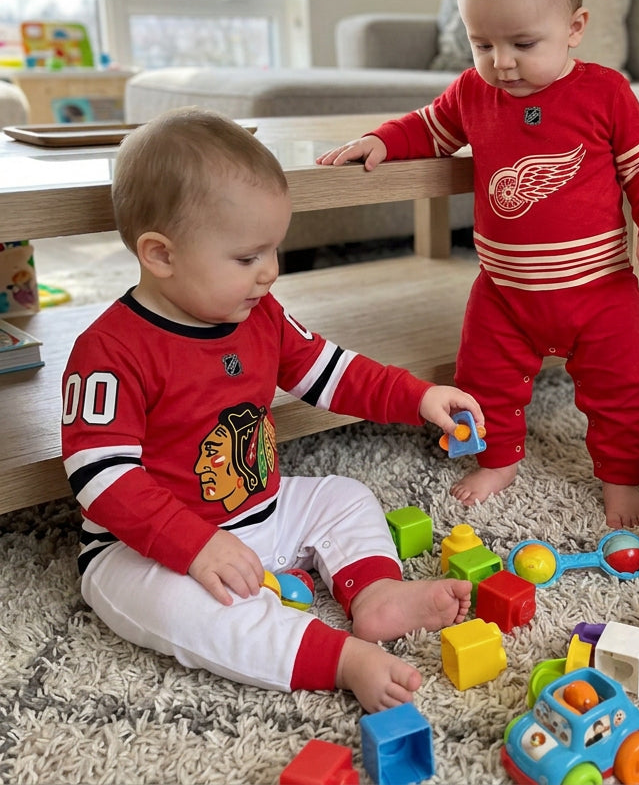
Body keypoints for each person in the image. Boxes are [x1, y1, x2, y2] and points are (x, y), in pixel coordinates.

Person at [61, 108, 483, 712]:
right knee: (196, 614)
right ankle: (337, 657)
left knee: (345, 497)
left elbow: (331, 370)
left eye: (275, 250)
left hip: (263, 508)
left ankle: (377, 592)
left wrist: (416, 395)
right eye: (247, 258)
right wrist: (194, 546)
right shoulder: (110, 350)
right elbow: (100, 477)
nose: (271, 272)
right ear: (160, 254)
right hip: (145, 549)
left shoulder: (260, 312)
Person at [316, 0, 639, 528]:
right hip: (505, 292)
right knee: (482, 377)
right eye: (482, 44)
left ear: (574, 29)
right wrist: (383, 140)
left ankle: (619, 478)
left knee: (622, 390)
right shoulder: (472, 93)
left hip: (599, 292)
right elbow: (428, 128)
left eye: (522, 44)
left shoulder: (606, 93)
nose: (502, 62)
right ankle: (499, 457)